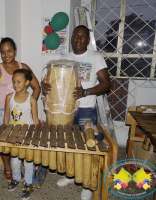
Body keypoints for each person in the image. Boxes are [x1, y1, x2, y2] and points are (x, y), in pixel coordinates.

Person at [41, 25, 111, 200]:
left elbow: (106, 84)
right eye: (76, 36)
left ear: (87, 39)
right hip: (66, 111)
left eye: (82, 36)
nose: (78, 39)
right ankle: (72, 175)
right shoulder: (64, 59)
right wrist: (45, 86)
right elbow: (51, 82)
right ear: (71, 38)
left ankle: (87, 183)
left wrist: (86, 92)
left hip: (86, 109)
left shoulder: (95, 58)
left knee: (88, 146)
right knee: (69, 145)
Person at [0, 37, 40, 180]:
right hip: (2, 111)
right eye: (2, 52)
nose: (6, 55)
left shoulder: (23, 66)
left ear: (15, 51)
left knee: (23, 140)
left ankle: (22, 164)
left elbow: (37, 87)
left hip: (20, 113)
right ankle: (8, 168)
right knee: (7, 142)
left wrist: (29, 105)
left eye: (9, 51)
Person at [4, 69, 39, 199]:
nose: (15, 84)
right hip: (14, 134)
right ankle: (16, 178)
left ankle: (28, 183)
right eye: (13, 82)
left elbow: (35, 119)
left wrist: (36, 135)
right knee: (14, 161)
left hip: (28, 135)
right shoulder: (9, 97)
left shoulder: (32, 100)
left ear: (27, 82)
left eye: (19, 82)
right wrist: (6, 131)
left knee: (28, 162)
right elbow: (7, 115)